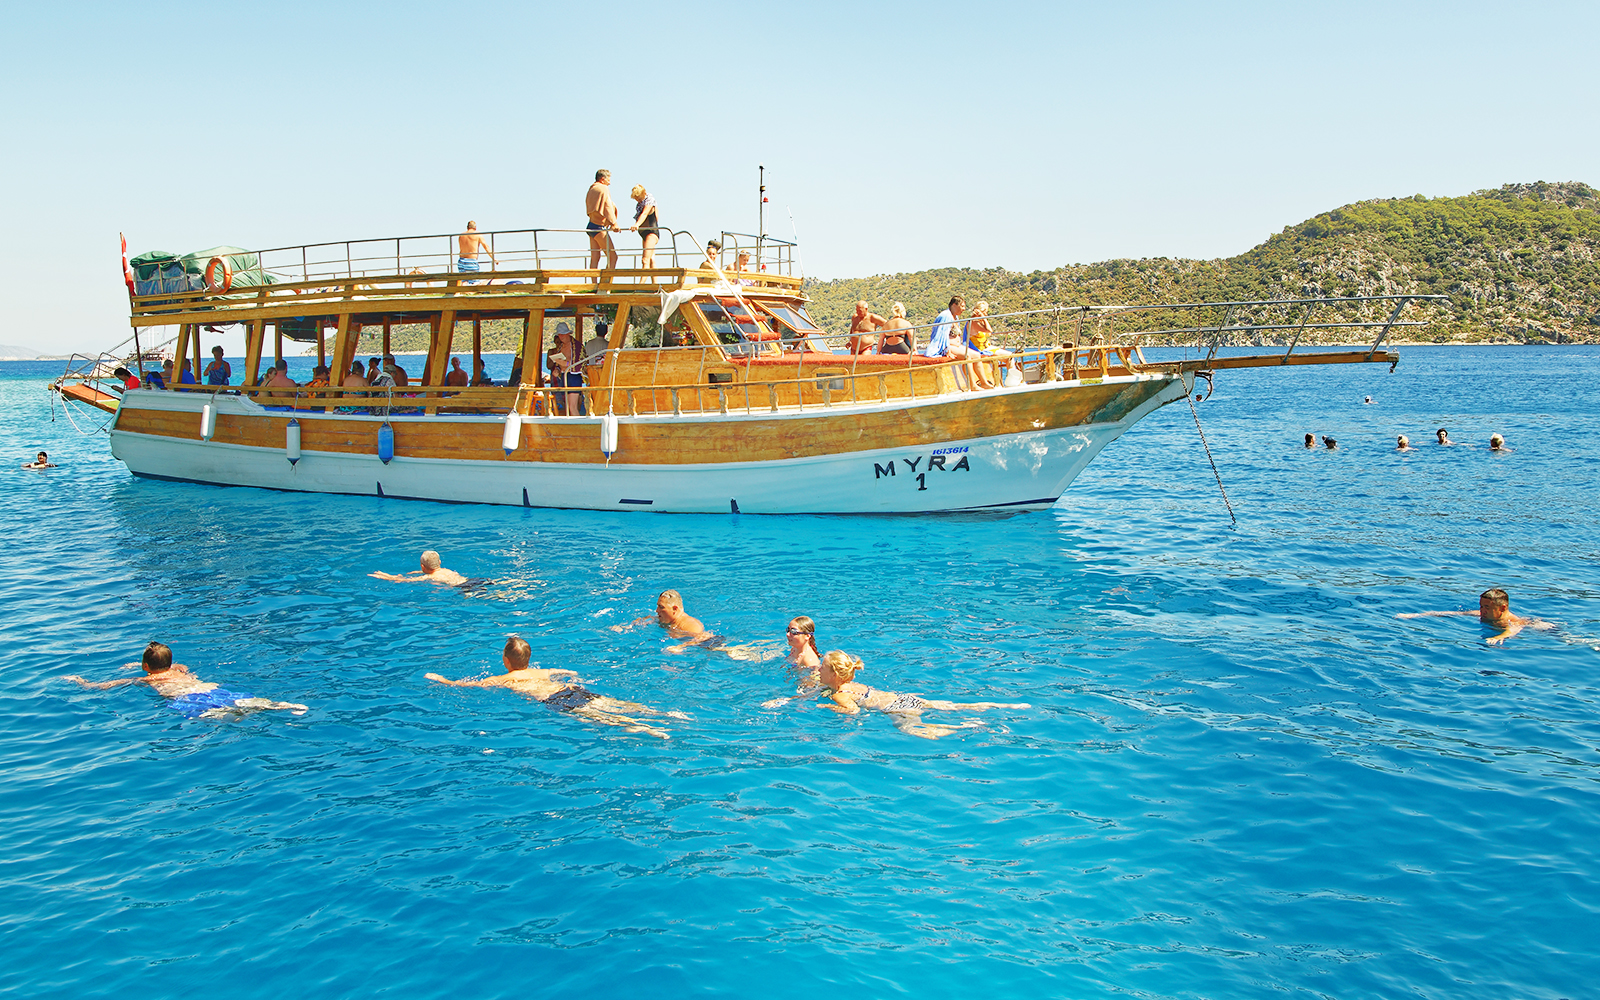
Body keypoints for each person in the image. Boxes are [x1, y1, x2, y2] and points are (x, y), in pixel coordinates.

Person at [426, 636, 681, 739]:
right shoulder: (542, 670)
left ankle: (643, 728)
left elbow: (469, 685)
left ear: (505, 661)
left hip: (557, 701)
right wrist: (570, 674)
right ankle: (662, 714)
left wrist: (442, 680)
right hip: (571, 689)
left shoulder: (505, 679)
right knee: (615, 704)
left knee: (599, 718)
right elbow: (563, 671)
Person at [812, 651, 1029, 740]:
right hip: (903, 697)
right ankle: (1004, 706)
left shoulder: (840, 694)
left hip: (897, 709)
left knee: (912, 730)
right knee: (953, 706)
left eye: (823, 668)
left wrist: (826, 707)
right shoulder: (854, 684)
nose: (819, 671)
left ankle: (966, 727)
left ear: (834, 675)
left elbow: (853, 710)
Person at [65, 641, 306, 719]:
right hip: (208, 687)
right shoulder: (178, 670)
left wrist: (81, 682)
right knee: (247, 701)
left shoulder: (147, 680)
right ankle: (281, 705)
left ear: (145, 667)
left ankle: (228, 716)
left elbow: (107, 685)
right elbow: (180, 665)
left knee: (214, 715)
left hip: (186, 698)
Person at [1398, 588, 1552, 645]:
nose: (1482, 611)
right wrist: (1414, 615)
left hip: (1538, 628)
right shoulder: (1480, 614)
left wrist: (1498, 637)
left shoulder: (1511, 621)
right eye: (1481, 606)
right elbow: (1449, 613)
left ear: (1503, 608)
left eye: (1486, 607)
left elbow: (1513, 631)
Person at [612, 589, 723, 651]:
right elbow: (645, 620)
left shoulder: (690, 625)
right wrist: (626, 627)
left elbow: (703, 639)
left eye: (661, 607)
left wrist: (680, 647)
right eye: (657, 606)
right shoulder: (663, 619)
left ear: (674, 609)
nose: (656, 611)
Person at [369, 549, 467, 586]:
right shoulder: (445, 570)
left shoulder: (429, 577)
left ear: (422, 567)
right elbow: (431, 570)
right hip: (471, 581)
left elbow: (405, 580)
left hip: (464, 588)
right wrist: (418, 572)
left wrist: (387, 576)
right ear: (440, 562)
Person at [585, 169, 619, 270]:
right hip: (599, 227)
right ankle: (606, 283)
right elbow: (607, 205)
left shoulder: (592, 189)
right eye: (608, 178)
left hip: (591, 225)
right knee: (613, 257)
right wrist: (614, 223)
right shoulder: (603, 188)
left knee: (595, 258)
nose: (610, 181)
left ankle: (594, 283)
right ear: (603, 179)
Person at [629, 184, 660, 268]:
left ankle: (641, 282)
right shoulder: (640, 204)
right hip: (645, 233)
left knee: (645, 260)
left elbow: (645, 213)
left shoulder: (650, 201)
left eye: (639, 199)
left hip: (651, 232)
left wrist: (637, 225)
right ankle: (655, 281)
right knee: (651, 259)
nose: (638, 201)